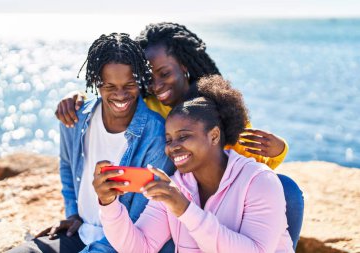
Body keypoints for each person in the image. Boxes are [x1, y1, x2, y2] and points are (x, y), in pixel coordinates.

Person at [55, 22, 303, 250]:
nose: (157, 85)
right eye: (149, 78)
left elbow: (248, 165)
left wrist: (279, 150)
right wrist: (80, 99)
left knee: (286, 188)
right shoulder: (148, 104)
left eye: (164, 73)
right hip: (185, 197)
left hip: (224, 200)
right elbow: (118, 94)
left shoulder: (216, 108)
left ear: (183, 67)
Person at [8, 33, 174, 253]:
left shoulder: (157, 136)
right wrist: (73, 214)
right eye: (109, 86)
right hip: (80, 233)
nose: (121, 95)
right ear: (96, 82)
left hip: (120, 243)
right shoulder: (75, 118)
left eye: (129, 84)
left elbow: (141, 222)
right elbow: (67, 166)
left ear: (140, 80)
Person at [93, 75, 294, 252]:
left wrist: (186, 211)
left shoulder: (259, 181)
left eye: (184, 137)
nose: (173, 147)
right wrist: (109, 205)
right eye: (169, 139)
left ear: (214, 135)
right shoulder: (175, 187)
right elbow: (140, 247)